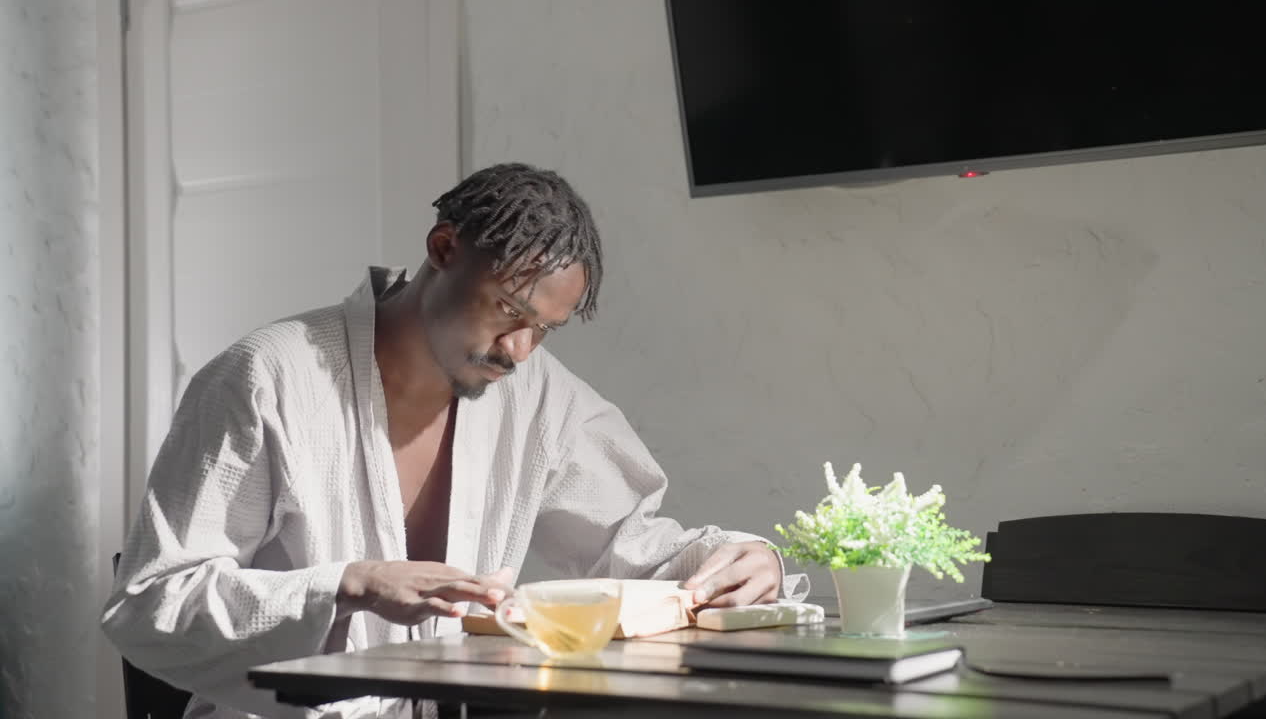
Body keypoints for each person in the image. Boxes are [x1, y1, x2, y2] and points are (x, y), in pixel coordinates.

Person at [103, 163, 796, 719]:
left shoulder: (540, 397)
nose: (520, 350)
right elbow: (149, 602)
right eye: (508, 311)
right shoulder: (267, 377)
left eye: (544, 329)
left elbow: (634, 543)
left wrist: (742, 558)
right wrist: (348, 584)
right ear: (443, 249)